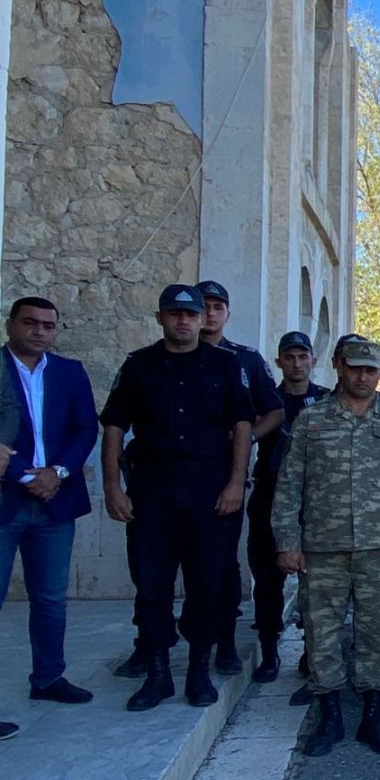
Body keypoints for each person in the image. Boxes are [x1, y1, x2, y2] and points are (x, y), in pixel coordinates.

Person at [272, 338, 380, 757]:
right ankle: (329, 718)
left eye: (371, 370)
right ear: (339, 367)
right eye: (355, 368)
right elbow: (289, 484)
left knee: (377, 632)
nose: (363, 376)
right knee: (321, 632)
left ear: (379, 372)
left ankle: (373, 716)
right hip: (323, 547)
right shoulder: (312, 420)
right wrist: (287, 541)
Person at [100, 284, 254, 711]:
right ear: (161, 318)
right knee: (152, 585)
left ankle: (199, 670)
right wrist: (113, 485)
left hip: (208, 490)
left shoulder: (226, 365)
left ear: (203, 319)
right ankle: (159, 672)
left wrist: (235, 483)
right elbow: (114, 426)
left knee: (206, 583)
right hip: (152, 491)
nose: (183, 321)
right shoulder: (138, 366)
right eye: (175, 314)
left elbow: (243, 424)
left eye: (191, 314)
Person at [0, 297, 100, 723]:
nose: (39, 331)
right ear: (10, 324)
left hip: (55, 501)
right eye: (30, 323)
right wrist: (26, 475)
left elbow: (86, 427)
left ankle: (48, 678)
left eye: (48, 325)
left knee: (50, 599)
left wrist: (57, 472)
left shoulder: (69, 372)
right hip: (6, 499)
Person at [195, 280, 285, 677]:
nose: (210, 313)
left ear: (227, 313)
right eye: (204, 306)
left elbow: (274, 410)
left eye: (217, 306)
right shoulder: (159, 358)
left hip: (226, 477)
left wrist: (243, 438)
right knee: (158, 566)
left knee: (224, 564)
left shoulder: (245, 360)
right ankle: (149, 643)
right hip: (171, 477)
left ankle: (226, 641)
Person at [249, 330, 328, 687]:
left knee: (319, 584)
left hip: (316, 503)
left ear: (313, 360)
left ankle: (313, 654)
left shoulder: (328, 402)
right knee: (267, 581)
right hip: (270, 496)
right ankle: (269, 652)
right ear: (279, 361)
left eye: (303, 357)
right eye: (289, 357)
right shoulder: (264, 402)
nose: (296, 364)